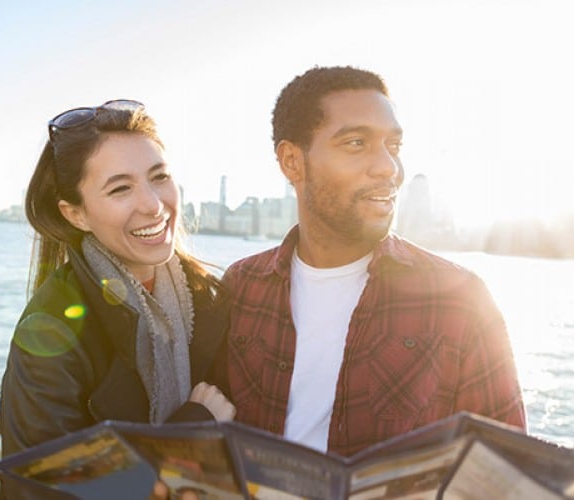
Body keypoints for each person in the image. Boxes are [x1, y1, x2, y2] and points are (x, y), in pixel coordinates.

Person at [218, 66, 526, 457]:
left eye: (393, 147)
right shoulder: (241, 287)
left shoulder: (460, 299)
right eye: (356, 143)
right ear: (292, 162)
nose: (388, 168)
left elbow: (506, 470)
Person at [0, 99, 234, 498]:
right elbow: (42, 489)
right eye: (121, 188)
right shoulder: (52, 328)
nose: (153, 204)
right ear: (77, 214)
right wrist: (192, 427)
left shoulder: (209, 298)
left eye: (159, 177)